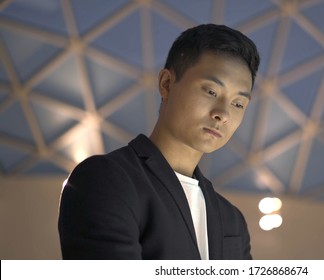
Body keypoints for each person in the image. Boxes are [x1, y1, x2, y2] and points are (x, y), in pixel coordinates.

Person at [58, 23, 260, 260]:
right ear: (166, 83)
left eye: (238, 104)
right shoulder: (105, 179)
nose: (223, 114)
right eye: (211, 92)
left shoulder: (232, 220)